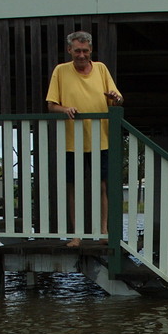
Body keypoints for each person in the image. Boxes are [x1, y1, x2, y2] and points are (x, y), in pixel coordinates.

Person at [46, 30, 123, 247]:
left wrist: (115, 98)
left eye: (85, 51)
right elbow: (51, 105)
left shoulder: (101, 69)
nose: (81, 55)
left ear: (91, 50)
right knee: (73, 186)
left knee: (101, 186)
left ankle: (104, 231)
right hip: (73, 140)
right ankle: (76, 235)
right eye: (77, 51)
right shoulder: (60, 71)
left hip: (101, 138)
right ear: (69, 50)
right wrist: (65, 109)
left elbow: (117, 99)